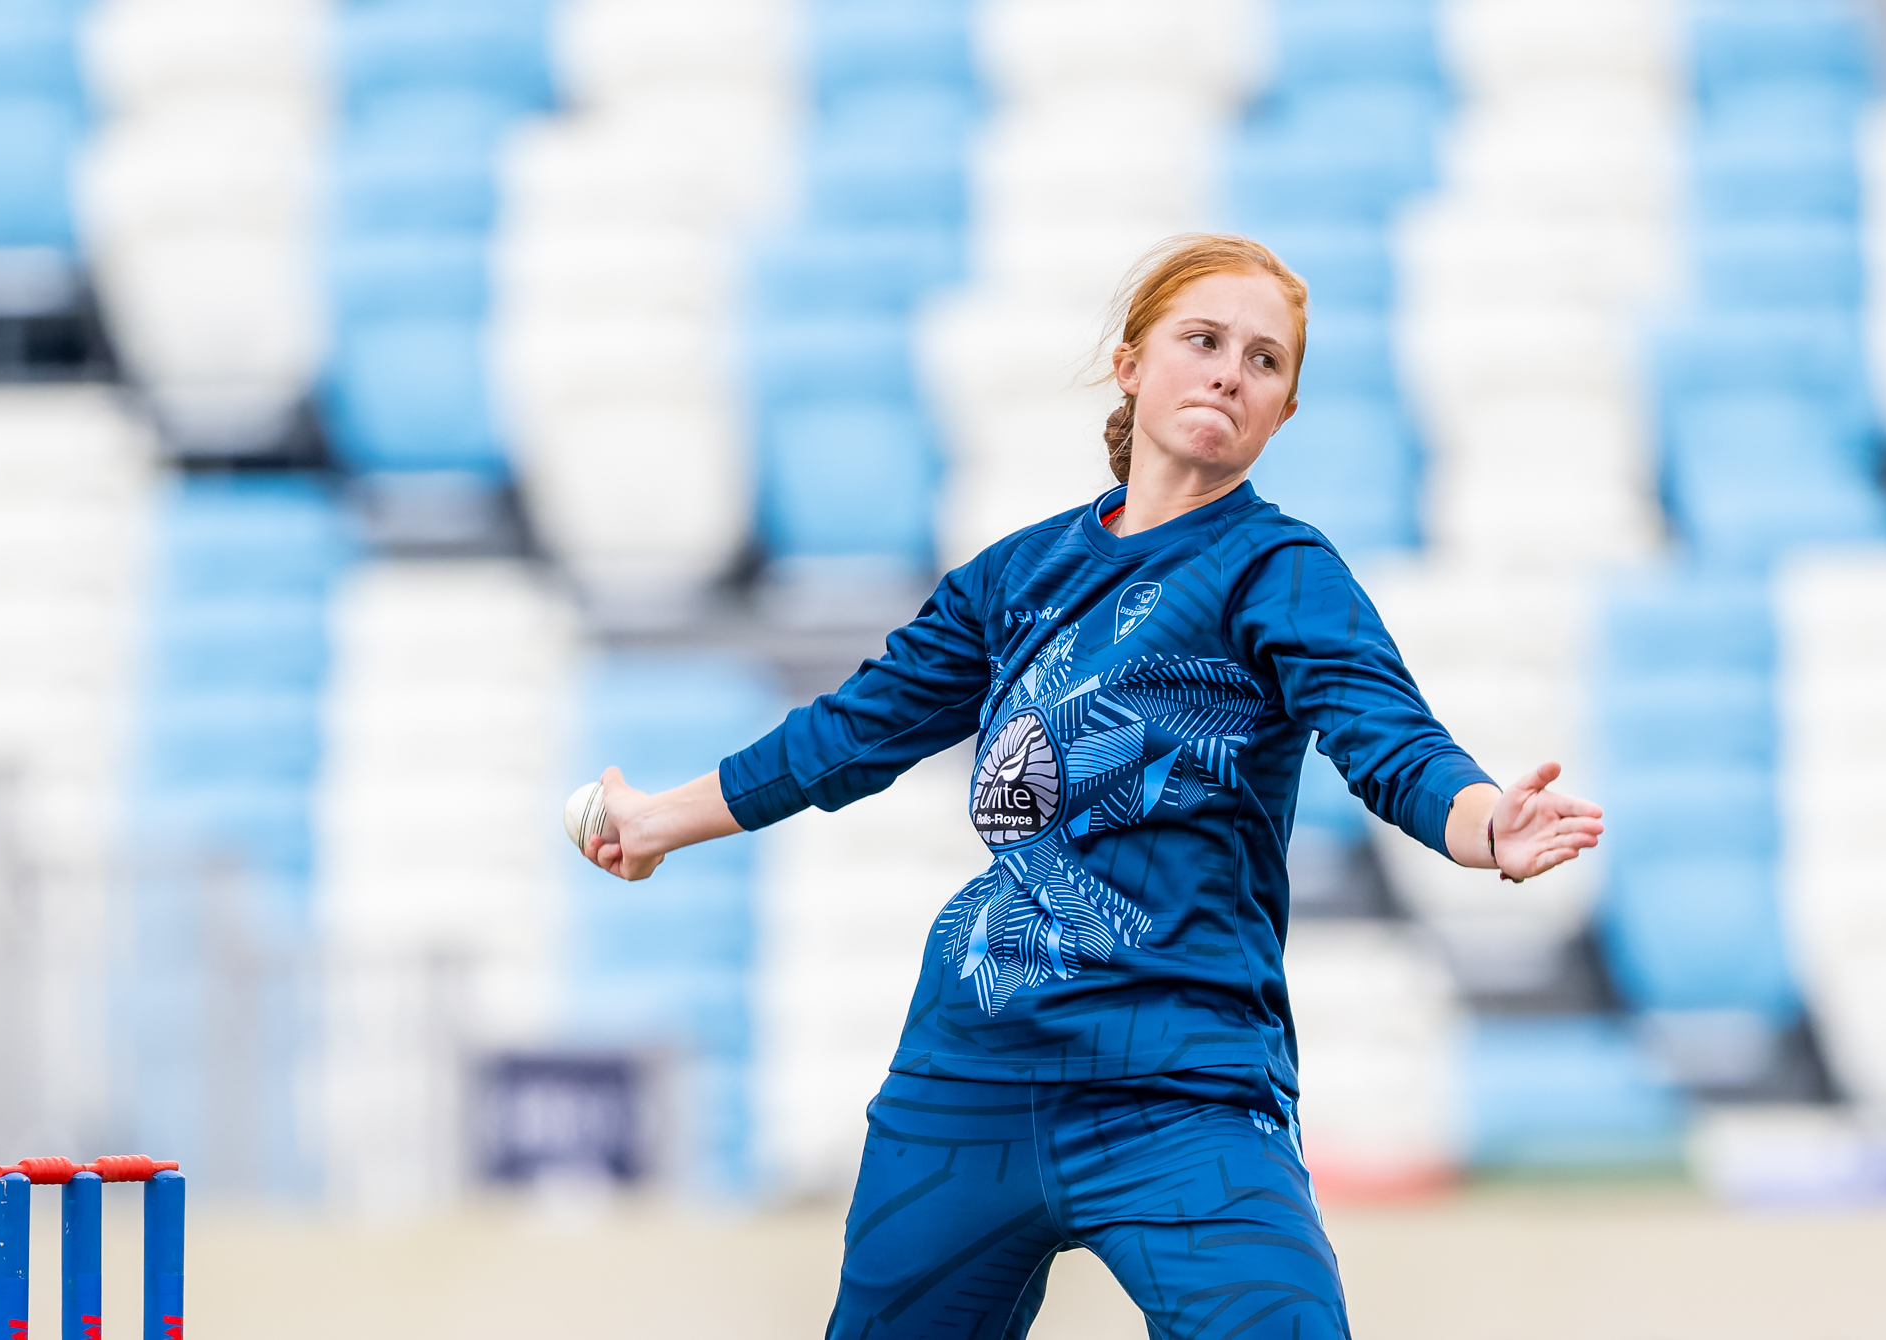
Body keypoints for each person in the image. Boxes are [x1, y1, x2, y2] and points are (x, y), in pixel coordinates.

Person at [579, 233, 1604, 1338]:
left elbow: (1385, 736)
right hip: (969, 1079)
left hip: (1180, 1088)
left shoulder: (1278, 569)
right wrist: (656, 821)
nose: (1228, 371)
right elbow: (849, 734)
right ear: (1130, 366)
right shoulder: (1014, 576)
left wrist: (1482, 820)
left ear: (1284, 412)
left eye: (1264, 361)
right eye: (1201, 340)